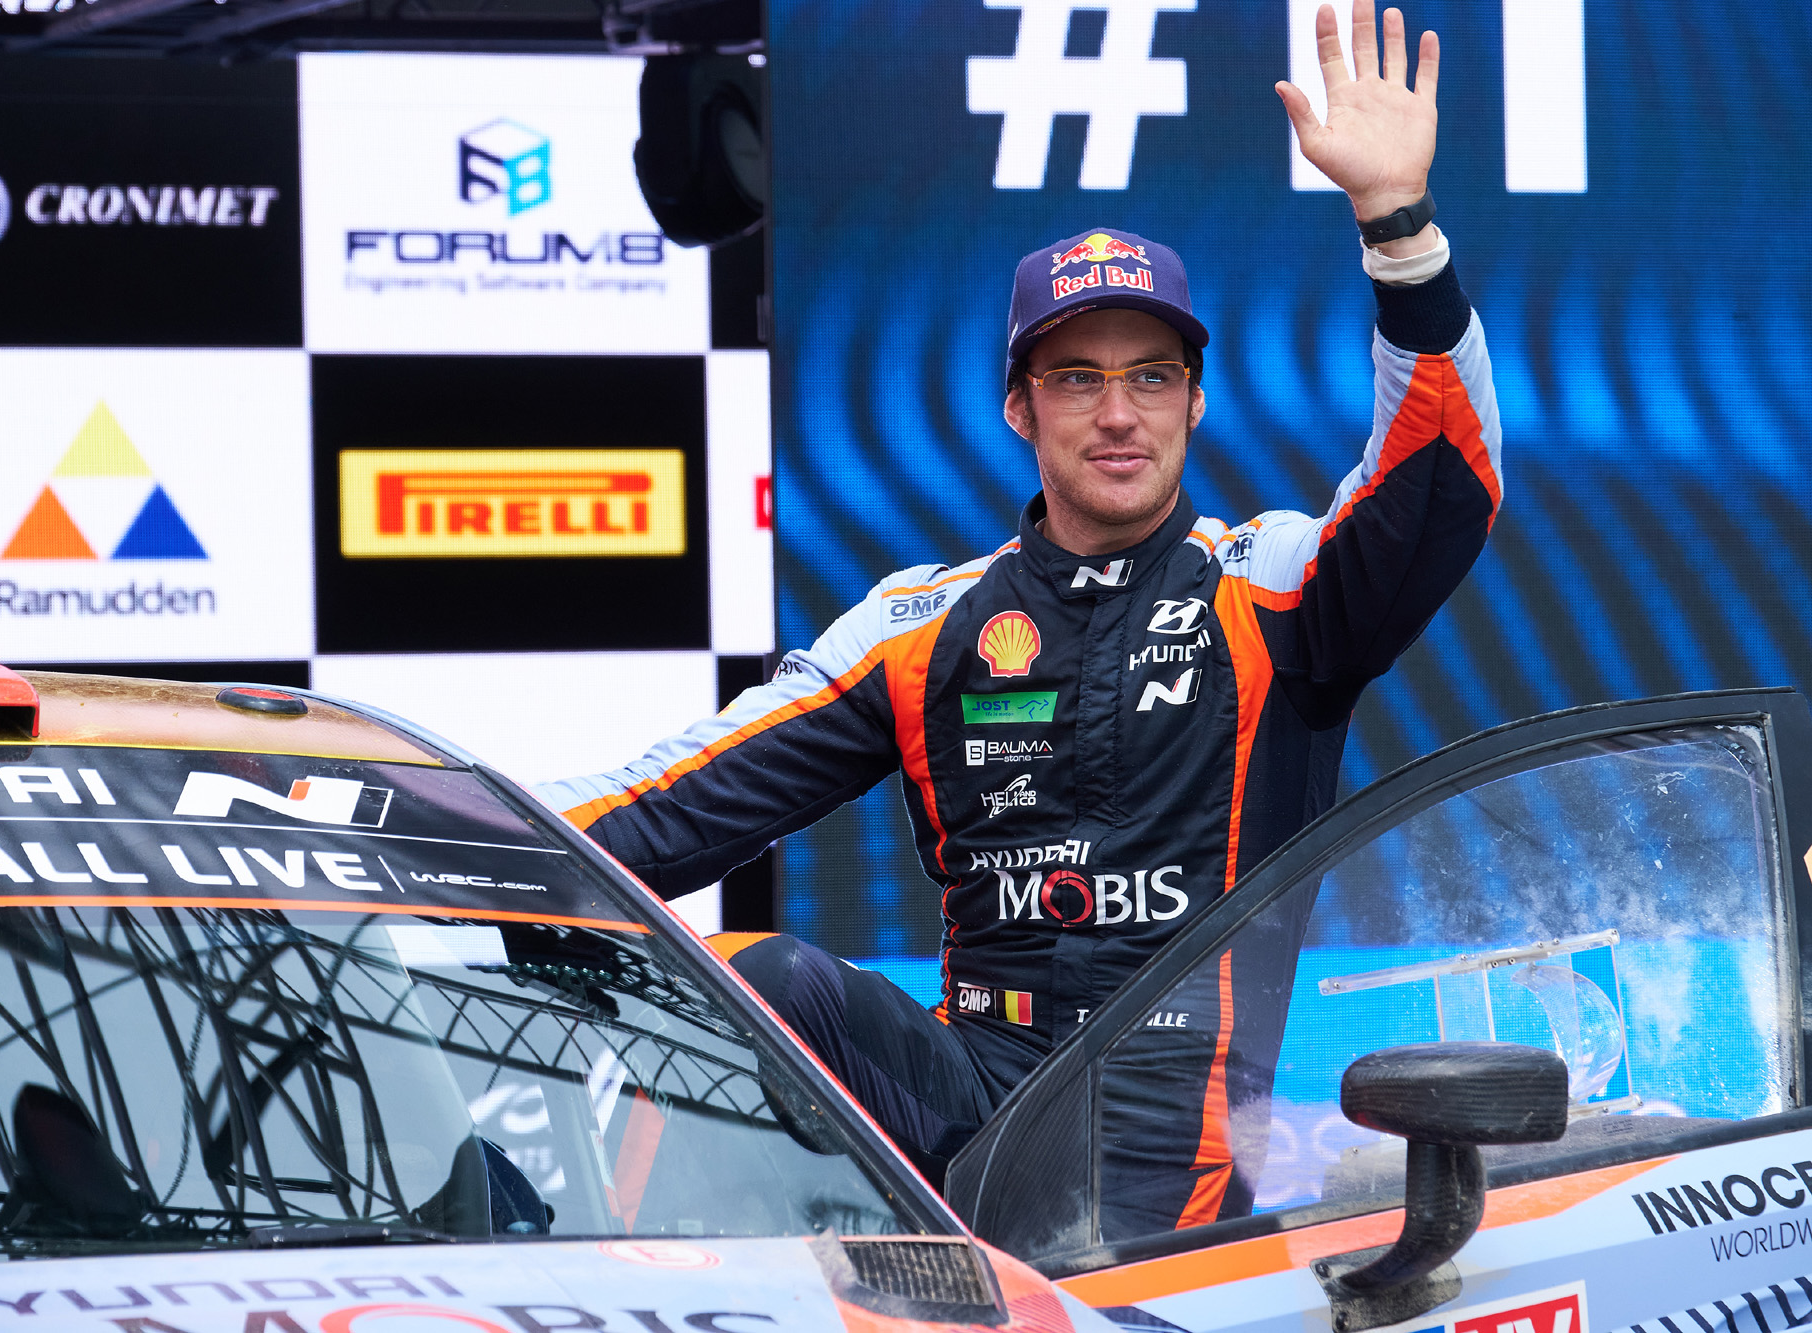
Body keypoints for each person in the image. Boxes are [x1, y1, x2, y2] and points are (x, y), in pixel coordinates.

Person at [537, 0, 1500, 1226]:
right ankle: (645, 1293)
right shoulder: (920, 628)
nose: (1118, 412)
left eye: (1150, 376)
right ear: (1017, 406)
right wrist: (425, 824)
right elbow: (668, 809)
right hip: (974, 1110)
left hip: (1177, 1146)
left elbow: (1440, 486)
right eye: (1076, 377)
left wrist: (1398, 228)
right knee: (754, 978)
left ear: (1194, 402)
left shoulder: (1269, 591)